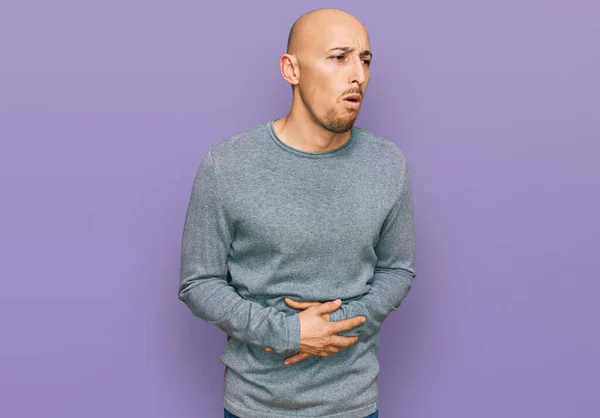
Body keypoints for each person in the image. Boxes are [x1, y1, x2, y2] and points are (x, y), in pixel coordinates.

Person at [178, 7, 416, 418]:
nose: (358, 74)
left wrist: (337, 325)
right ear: (292, 69)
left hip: (354, 406)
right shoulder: (228, 164)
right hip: (255, 407)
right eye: (339, 57)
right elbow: (199, 282)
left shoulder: (388, 163)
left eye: (365, 59)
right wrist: (288, 332)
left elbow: (398, 270)